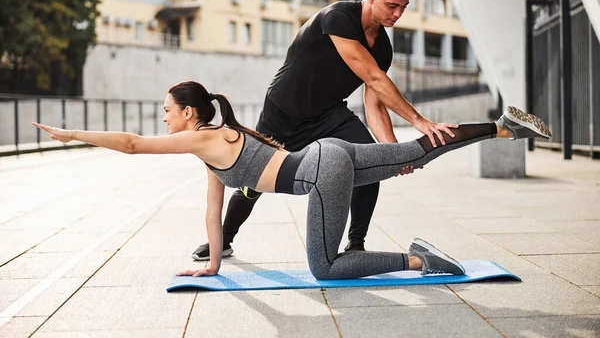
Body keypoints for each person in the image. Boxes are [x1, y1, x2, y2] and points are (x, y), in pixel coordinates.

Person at [33, 81, 552, 280]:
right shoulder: (215, 144)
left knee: (325, 268)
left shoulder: (201, 137)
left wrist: (70, 133)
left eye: (168, 110)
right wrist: (213, 264)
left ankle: (419, 259)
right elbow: (214, 212)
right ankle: (501, 127)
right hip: (332, 155)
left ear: (190, 114)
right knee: (416, 151)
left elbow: (131, 144)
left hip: (325, 168)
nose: (163, 117)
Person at [192, 0, 457, 261]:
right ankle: (224, 240)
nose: (397, 14)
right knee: (252, 182)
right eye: (392, 5)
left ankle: (356, 245)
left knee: (370, 160)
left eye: (403, 7)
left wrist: (392, 151)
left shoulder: (383, 48)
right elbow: (373, 78)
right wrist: (419, 121)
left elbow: (374, 101)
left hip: (329, 115)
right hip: (284, 112)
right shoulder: (338, 18)